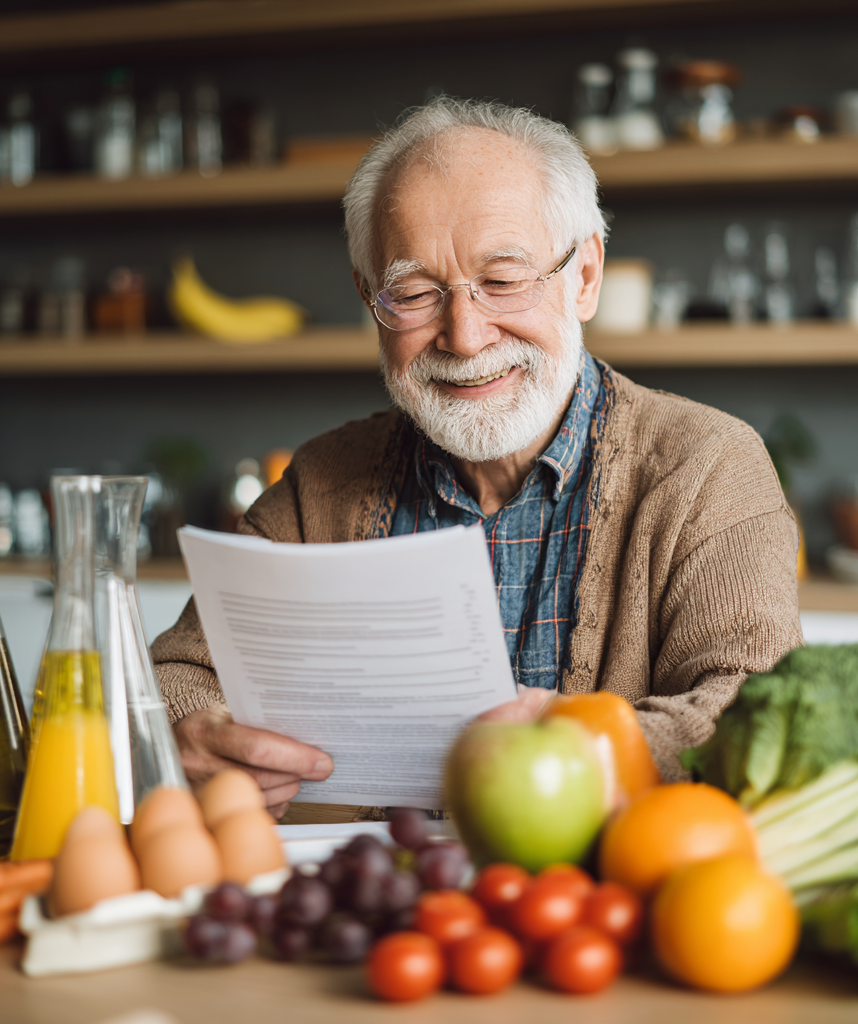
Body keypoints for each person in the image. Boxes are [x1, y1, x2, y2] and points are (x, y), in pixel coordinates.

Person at [153, 97, 802, 819]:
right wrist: (196, 732)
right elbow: (178, 672)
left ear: (584, 276)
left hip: (594, 912)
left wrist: (571, 753)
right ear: (371, 299)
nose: (464, 336)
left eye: (502, 280)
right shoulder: (321, 483)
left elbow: (753, 711)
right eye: (415, 293)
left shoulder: (709, 465)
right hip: (374, 912)